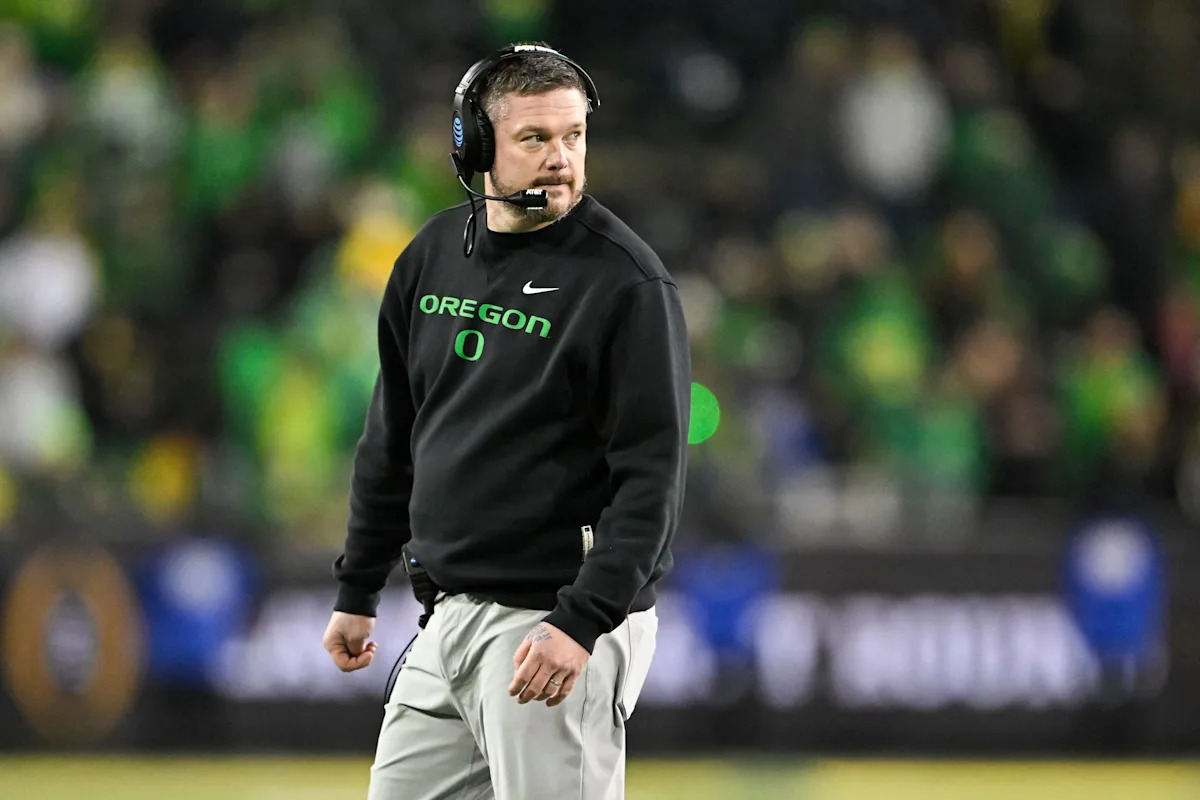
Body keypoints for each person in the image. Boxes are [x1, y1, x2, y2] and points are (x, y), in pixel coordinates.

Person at [321, 42, 691, 800]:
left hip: (552, 621)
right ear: (477, 146)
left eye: (574, 135)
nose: (561, 158)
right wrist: (358, 586)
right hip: (448, 616)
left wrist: (582, 622)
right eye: (535, 138)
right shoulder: (431, 255)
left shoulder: (627, 284)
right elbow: (392, 437)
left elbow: (652, 480)